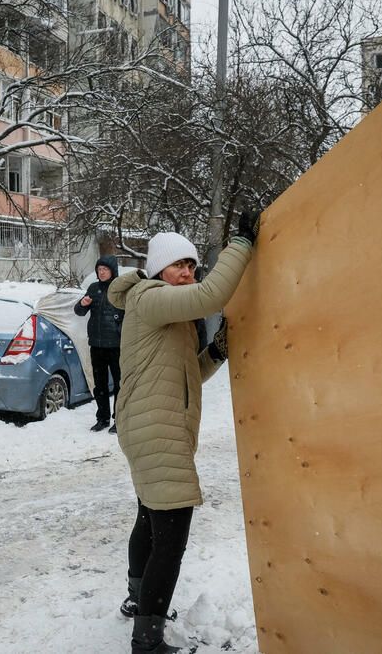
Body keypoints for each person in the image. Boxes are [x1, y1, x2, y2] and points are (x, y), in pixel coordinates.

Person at [107, 209, 262, 654]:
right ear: (159, 270)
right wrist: (243, 244)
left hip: (149, 427)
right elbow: (213, 295)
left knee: (150, 522)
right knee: (171, 537)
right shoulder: (149, 298)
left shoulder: (165, 315)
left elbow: (185, 374)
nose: (189, 272)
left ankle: (138, 600)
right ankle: (148, 641)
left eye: (192, 264)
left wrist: (214, 352)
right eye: (181, 265)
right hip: (157, 431)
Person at [74, 256, 123, 434]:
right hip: (97, 345)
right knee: (99, 385)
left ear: (112, 271)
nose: (101, 272)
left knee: (120, 385)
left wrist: (120, 325)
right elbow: (79, 312)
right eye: (99, 269)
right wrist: (82, 303)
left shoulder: (120, 289)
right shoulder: (93, 288)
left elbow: (129, 313)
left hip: (116, 346)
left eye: (105, 269)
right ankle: (102, 418)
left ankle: (120, 419)